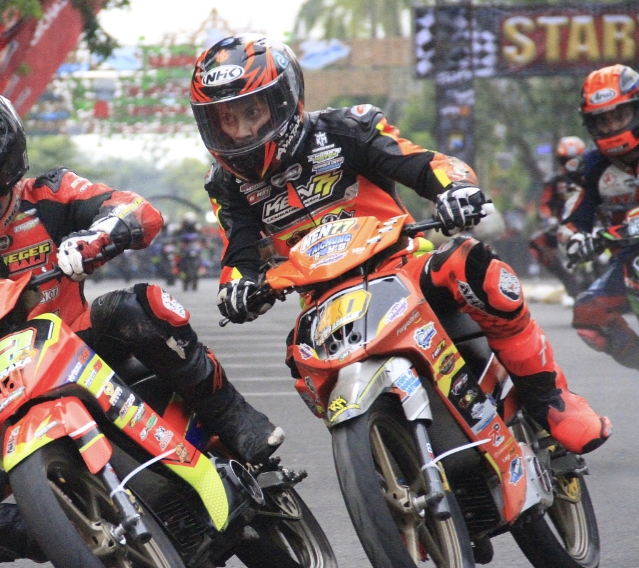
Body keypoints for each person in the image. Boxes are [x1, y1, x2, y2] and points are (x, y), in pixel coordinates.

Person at [0, 88, 282, 568]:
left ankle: (232, 415)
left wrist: (99, 236)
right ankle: (80, 533)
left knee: (133, 306)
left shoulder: (49, 192)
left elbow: (137, 210)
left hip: (81, 350)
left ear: (0, 147)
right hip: (4, 391)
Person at [191, 33, 609, 456]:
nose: (241, 130)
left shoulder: (347, 129)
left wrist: (455, 190)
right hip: (322, 302)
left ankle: (550, 398)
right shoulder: (225, 185)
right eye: (227, 119)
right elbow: (238, 254)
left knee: (477, 267)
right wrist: (237, 288)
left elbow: (426, 165)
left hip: (402, 267)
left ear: (283, 100)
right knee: (298, 360)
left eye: (251, 111)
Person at [561, 65, 639, 372]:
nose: (612, 126)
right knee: (588, 314)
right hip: (627, 257)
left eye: (620, 115)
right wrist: (576, 240)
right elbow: (571, 223)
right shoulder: (587, 168)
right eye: (603, 120)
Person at [529, 136, 586, 296]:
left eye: (573, 160)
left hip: (590, 223)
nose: (569, 164)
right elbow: (544, 204)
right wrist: (549, 219)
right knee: (537, 242)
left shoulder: (593, 176)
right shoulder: (554, 181)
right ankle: (567, 278)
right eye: (565, 160)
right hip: (561, 225)